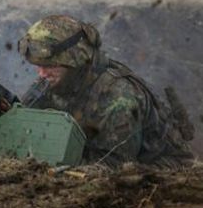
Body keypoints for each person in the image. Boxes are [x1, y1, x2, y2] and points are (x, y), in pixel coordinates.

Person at [17, 14, 194, 167]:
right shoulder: (57, 80)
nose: (41, 74)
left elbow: (114, 167)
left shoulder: (118, 97)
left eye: (51, 65)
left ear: (75, 61)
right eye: (39, 66)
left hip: (161, 171)